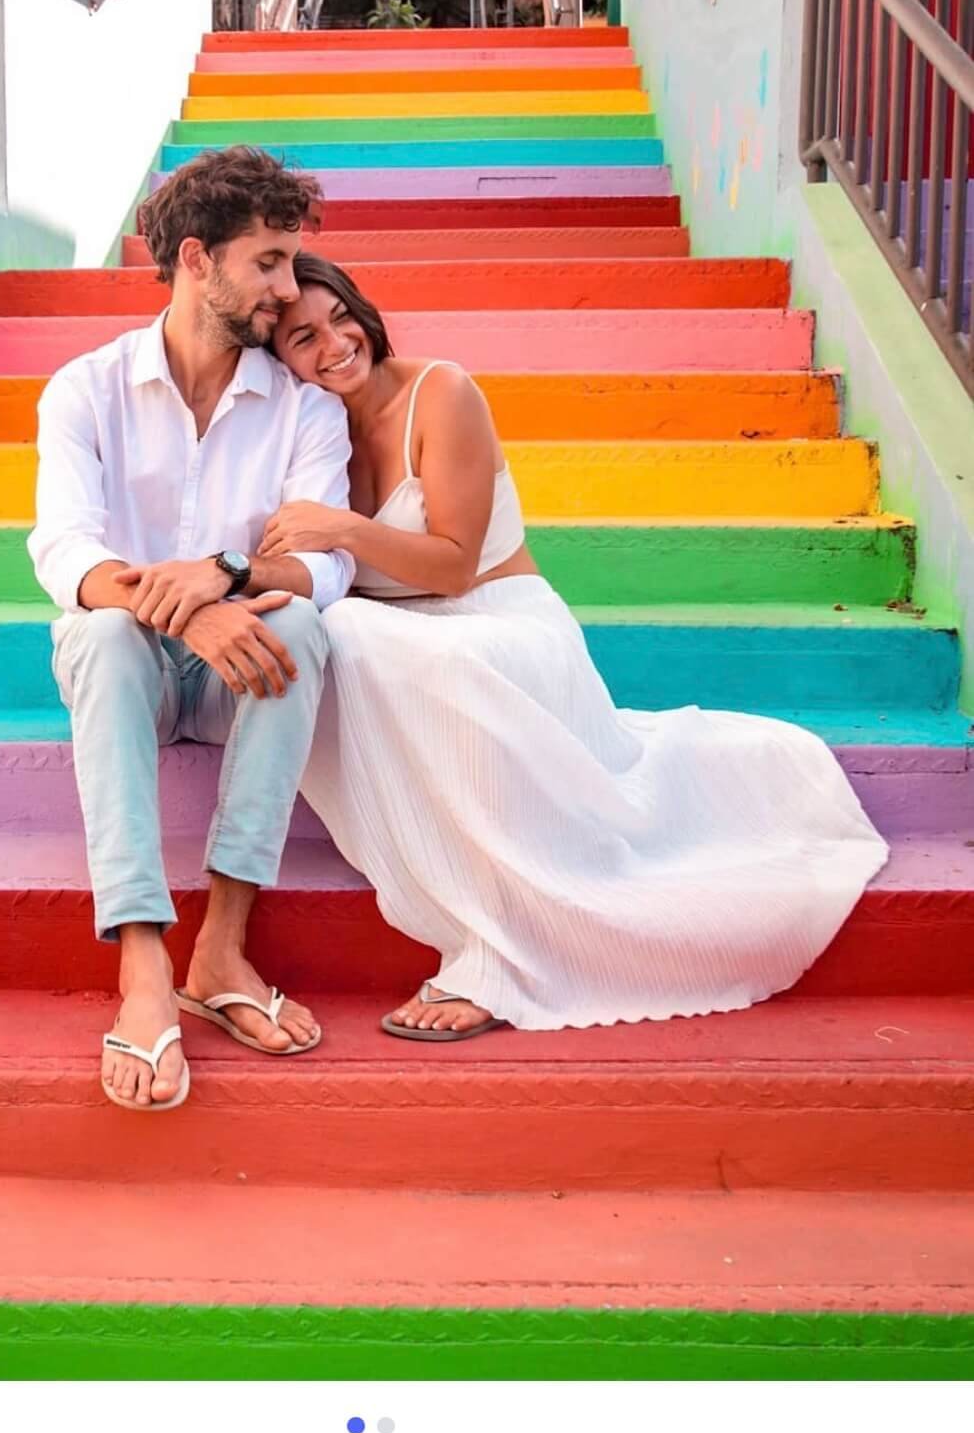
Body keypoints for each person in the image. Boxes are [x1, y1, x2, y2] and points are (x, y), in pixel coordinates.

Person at [261, 253, 891, 1040]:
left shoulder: (441, 391)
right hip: (412, 651)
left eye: (338, 319)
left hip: (502, 623)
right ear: (277, 360)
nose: (332, 345)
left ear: (364, 313)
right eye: (301, 338)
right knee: (336, 635)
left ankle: (501, 952)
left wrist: (344, 528)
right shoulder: (308, 438)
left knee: (355, 631)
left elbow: (455, 566)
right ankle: (473, 908)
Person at [27, 150, 354, 1111]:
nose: (289, 290)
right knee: (96, 634)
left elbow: (325, 563)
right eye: (269, 263)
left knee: (301, 621)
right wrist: (187, 610)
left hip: (241, 675)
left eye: (293, 264)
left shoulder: (302, 406)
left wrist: (227, 580)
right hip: (128, 671)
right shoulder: (84, 390)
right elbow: (64, 552)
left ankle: (220, 948)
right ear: (197, 261)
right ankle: (140, 969)